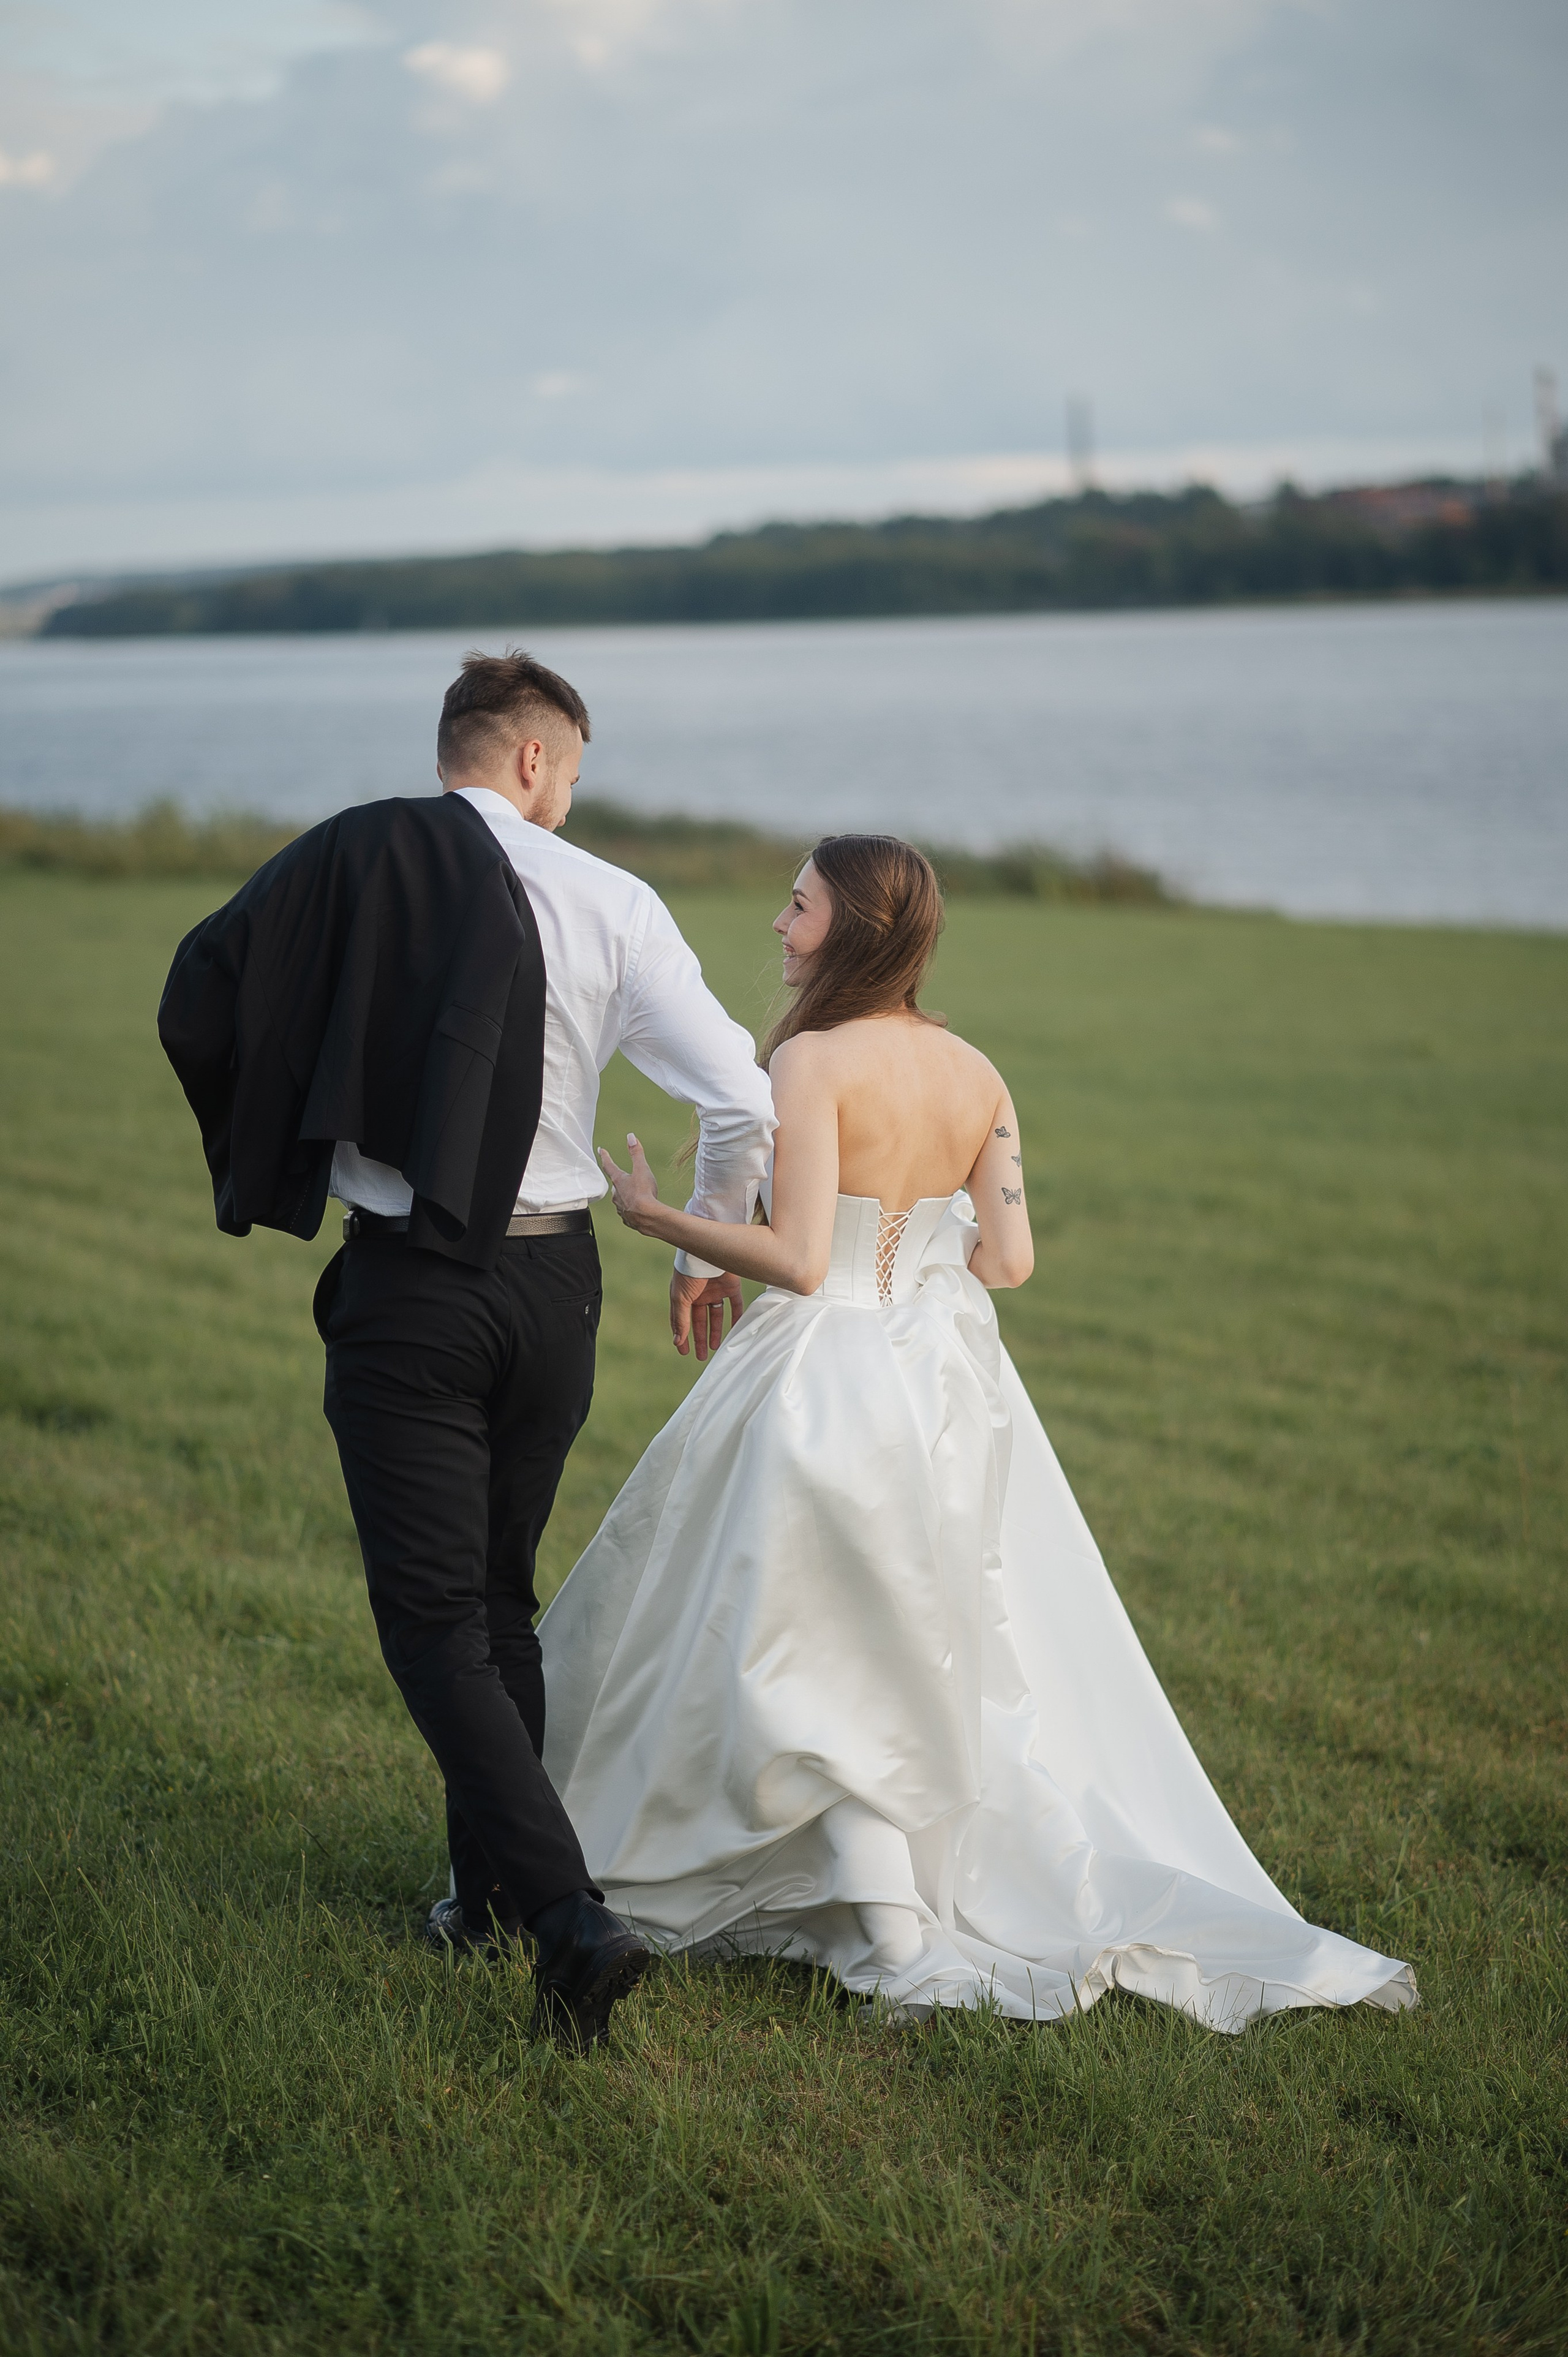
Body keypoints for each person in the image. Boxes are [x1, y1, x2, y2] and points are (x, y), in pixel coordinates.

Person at [540, 835, 1417, 2029]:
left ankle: (885, 1934)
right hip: (939, 1383)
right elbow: (1007, 1260)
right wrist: (907, 1246)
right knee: (878, 1642)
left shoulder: (808, 1058)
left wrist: (653, 1219)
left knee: (793, 1641)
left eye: (796, 907)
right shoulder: (975, 1072)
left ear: (846, 928)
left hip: (823, 1376)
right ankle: (876, 1904)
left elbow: (800, 1260)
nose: (780, 925)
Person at [160, 651, 774, 2049]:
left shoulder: (349, 864)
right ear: (538, 761)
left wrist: (289, 1130)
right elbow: (742, 1096)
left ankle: (566, 1918)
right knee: (497, 1604)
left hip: (412, 1288)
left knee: (434, 1622)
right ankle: (488, 1904)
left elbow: (198, 992)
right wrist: (697, 1254)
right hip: (556, 1290)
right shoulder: (614, 898)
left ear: (458, 751)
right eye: (570, 778)